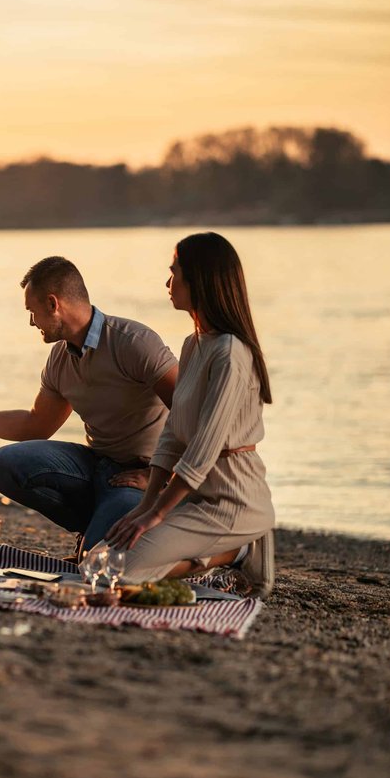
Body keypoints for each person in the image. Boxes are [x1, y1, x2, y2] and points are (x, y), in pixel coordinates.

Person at [0, 256, 178, 553]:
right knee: (5, 464)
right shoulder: (60, 357)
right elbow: (36, 425)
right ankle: (96, 523)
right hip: (96, 464)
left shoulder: (134, 342)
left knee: (96, 562)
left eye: (32, 312)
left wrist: (158, 477)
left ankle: (111, 529)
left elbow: (194, 412)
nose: (31, 322)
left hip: (142, 476)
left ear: (53, 304)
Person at [106, 232, 275, 597]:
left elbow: (202, 450)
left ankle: (237, 553)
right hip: (196, 499)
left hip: (234, 502)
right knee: (101, 560)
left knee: (119, 574)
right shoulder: (193, 344)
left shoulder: (230, 353)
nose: (168, 283)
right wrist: (146, 506)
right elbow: (172, 434)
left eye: (174, 272)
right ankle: (227, 553)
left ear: (199, 279)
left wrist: (157, 514)